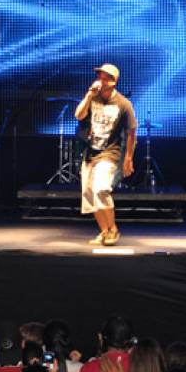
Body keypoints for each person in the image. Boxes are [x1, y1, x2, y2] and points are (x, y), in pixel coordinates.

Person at [74, 63, 137, 246]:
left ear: (113, 82)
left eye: (105, 78)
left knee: (101, 189)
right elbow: (78, 115)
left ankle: (113, 229)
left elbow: (132, 133)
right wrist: (88, 95)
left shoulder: (123, 104)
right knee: (89, 194)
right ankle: (104, 231)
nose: (100, 80)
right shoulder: (93, 97)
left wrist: (128, 158)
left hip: (110, 153)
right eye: (99, 76)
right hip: (90, 152)